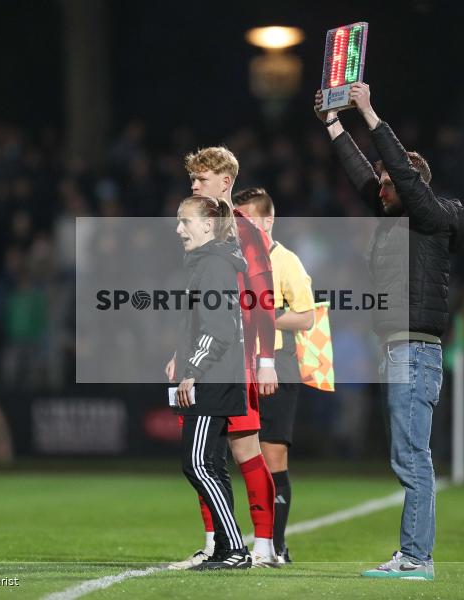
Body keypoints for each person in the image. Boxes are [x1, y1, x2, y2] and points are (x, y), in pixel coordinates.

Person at [315, 83, 464, 580]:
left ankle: (417, 557)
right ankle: (412, 554)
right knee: (406, 455)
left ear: (411, 186)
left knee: (412, 457)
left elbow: (398, 177)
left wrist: (367, 111)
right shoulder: (398, 219)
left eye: (389, 183)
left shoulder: (429, 219)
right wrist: (334, 125)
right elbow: (365, 175)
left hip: (414, 350)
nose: (379, 189)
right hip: (397, 349)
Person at [167, 147, 280, 568]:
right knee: (206, 452)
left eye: (201, 178)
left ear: (225, 181)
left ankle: (264, 543)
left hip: (235, 357)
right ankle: (216, 540)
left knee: (244, 448)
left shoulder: (243, 231)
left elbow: (262, 298)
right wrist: (180, 353)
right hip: (208, 354)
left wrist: (265, 359)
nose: (194, 185)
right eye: (193, 179)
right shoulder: (202, 233)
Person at [233, 187, 315, 563]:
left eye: (247, 219)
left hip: (278, 362)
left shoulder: (287, 261)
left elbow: (308, 316)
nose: (241, 227)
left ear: (267, 220)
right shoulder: (234, 260)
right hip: (239, 363)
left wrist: (264, 314)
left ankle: (276, 545)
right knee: (239, 454)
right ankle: (232, 542)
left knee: (272, 455)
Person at [173, 195, 251, 569]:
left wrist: (192, 371)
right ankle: (226, 548)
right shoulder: (211, 264)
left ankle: (235, 548)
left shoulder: (214, 266)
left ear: (207, 225)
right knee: (211, 465)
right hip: (218, 377)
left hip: (213, 379)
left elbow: (218, 331)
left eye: (185, 222)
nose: (178, 229)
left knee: (197, 464)